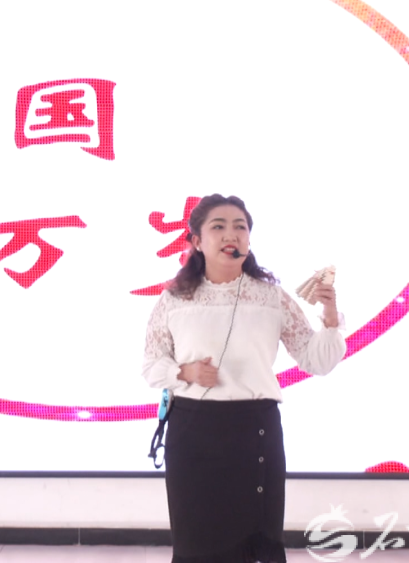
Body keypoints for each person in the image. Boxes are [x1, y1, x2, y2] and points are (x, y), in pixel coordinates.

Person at [142, 194, 347, 563]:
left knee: (257, 543)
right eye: (218, 226)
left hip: (255, 430)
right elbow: (151, 366)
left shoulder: (271, 298)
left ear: (249, 241)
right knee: (197, 542)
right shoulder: (175, 299)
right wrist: (184, 372)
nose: (230, 234)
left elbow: (317, 361)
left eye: (240, 227)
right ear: (196, 241)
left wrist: (330, 316)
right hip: (193, 431)